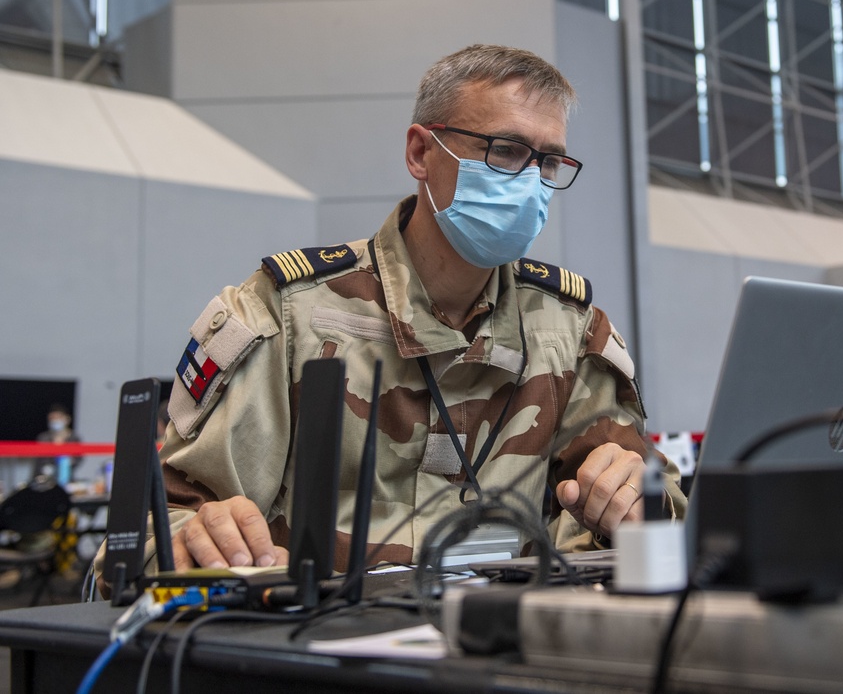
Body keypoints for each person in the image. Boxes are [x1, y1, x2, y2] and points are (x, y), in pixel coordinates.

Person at [99, 44, 686, 584]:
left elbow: (664, 517)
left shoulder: (569, 329)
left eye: (549, 163)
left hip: (500, 650)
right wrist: (198, 539)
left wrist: (636, 499)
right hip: (319, 651)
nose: (531, 181)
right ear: (420, 152)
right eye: (505, 151)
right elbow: (149, 532)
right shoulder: (287, 312)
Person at [35, 403, 80, 482]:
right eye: (52, 418)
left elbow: (78, 458)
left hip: (67, 479)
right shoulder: (43, 438)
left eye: (58, 417)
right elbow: (40, 461)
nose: (55, 421)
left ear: (67, 419)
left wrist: (69, 461)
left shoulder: (74, 438)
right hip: (44, 479)